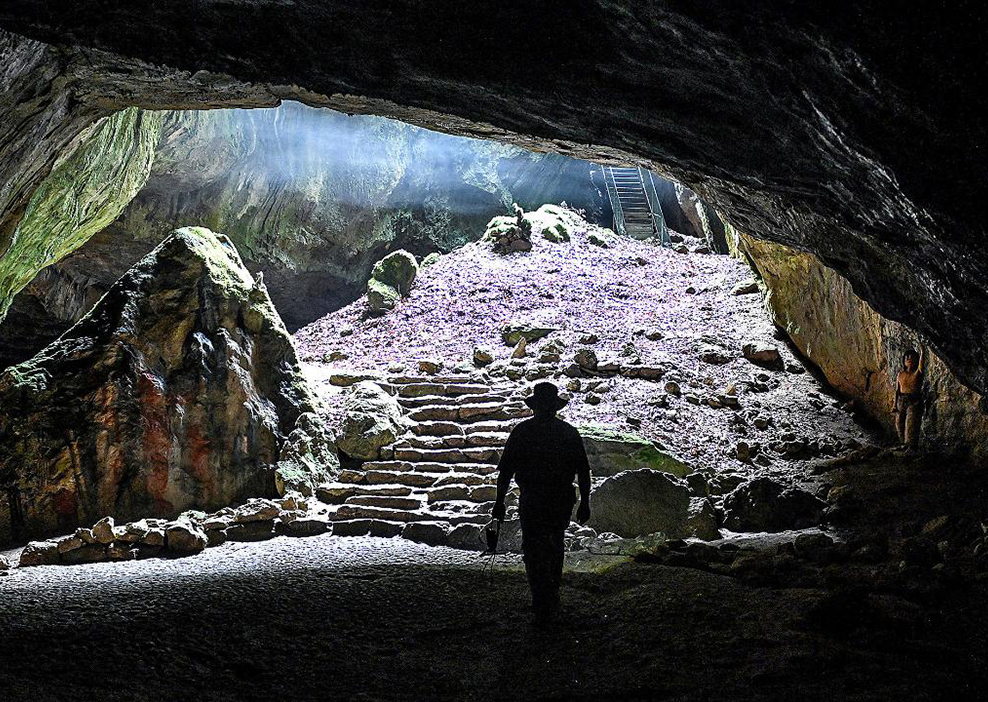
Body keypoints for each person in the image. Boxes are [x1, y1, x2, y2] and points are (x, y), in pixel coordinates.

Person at [492, 382, 591, 627]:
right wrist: (585, 502)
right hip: (559, 499)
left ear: (534, 407)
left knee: (534, 546)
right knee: (554, 544)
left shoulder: (522, 432)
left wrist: (499, 502)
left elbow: (505, 471)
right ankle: (550, 594)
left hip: (533, 498)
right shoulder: (568, 433)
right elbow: (583, 471)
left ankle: (540, 597)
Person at [894, 347, 924, 449]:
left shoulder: (917, 373)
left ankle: (911, 447)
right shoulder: (901, 374)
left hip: (914, 401)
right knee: (899, 424)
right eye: (907, 357)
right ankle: (903, 445)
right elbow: (897, 390)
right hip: (901, 400)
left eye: (912, 357)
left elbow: (921, 366)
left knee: (911, 424)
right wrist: (895, 405)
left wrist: (922, 352)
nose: (909, 358)